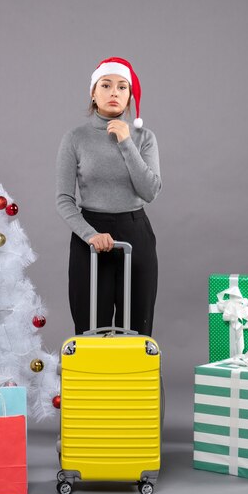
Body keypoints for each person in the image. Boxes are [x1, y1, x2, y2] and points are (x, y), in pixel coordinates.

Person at [56, 57, 161, 336]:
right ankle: (92, 380)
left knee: (138, 327)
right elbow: (64, 198)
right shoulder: (75, 138)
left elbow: (150, 191)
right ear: (93, 92)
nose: (114, 92)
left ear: (129, 97)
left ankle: (137, 379)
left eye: (122, 87)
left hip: (135, 232)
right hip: (90, 236)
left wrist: (126, 142)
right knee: (90, 327)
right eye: (106, 85)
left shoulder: (144, 137)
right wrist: (90, 235)